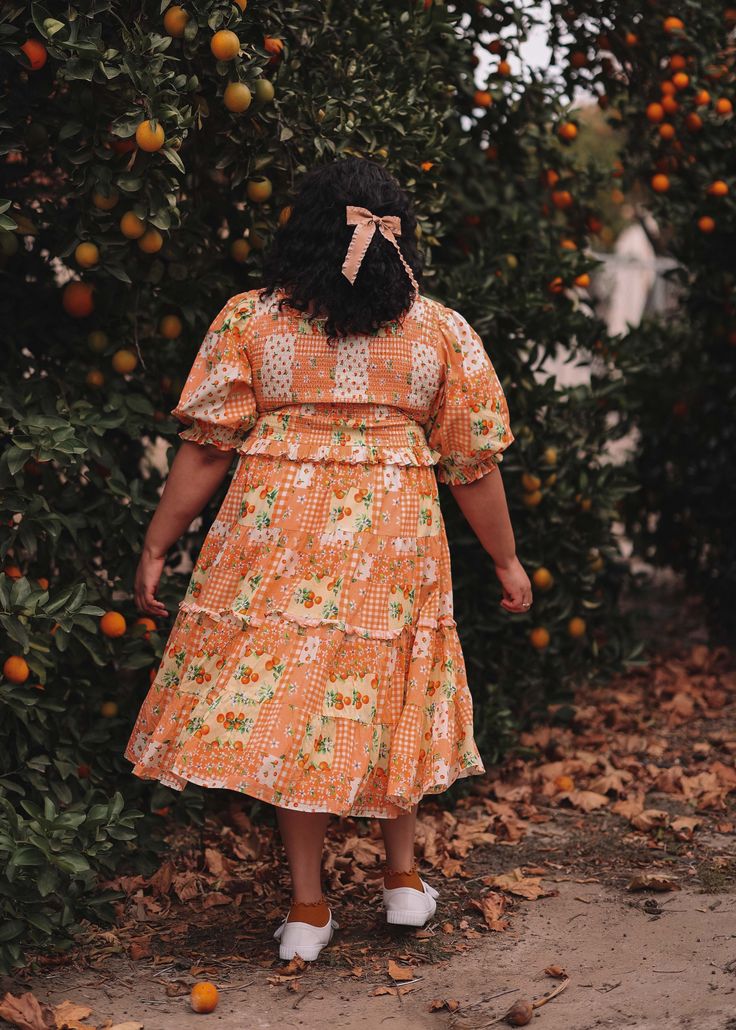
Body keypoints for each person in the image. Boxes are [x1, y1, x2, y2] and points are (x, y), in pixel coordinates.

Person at [125, 157, 532, 963]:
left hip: (276, 541)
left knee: (290, 707)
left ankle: (309, 911)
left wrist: (157, 542)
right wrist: (507, 561)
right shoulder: (437, 332)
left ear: (305, 232)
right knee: (393, 695)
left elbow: (207, 448)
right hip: (394, 540)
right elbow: (472, 465)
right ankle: (402, 884)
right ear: (396, 238)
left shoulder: (253, 322)